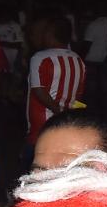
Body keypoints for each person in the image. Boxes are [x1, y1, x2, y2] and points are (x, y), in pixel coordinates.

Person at [25, 15, 85, 145]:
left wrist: (56, 110)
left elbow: (39, 90)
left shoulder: (40, 57)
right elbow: (78, 94)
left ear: (49, 35)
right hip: (67, 120)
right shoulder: (78, 59)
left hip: (43, 121)